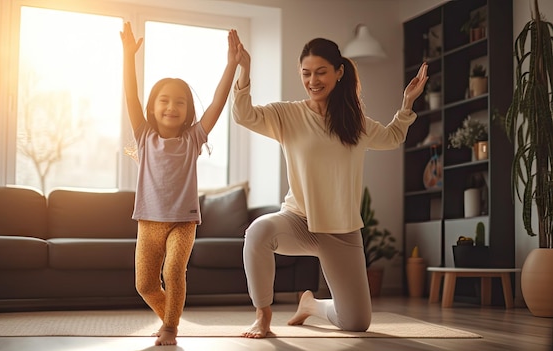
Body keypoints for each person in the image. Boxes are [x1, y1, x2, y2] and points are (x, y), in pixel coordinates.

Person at [231, 37, 428, 338]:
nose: (313, 80)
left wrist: (407, 103)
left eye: (321, 72)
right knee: (258, 231)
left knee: (356, 322)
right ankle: (263, 316)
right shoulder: (288, 115)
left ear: (339, 72)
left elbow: (391, 138)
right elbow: (244, 115)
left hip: (342, 231)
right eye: (306, 73)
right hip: (298, 221)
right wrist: (244, 69)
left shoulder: (355, 121)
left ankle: (312, 306)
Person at [120, 22, 242, 346]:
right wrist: (128, 56)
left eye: (179, 102)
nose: (171, 107)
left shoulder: (193, 138)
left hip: (184, 221)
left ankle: (170, 328)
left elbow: (217, 103)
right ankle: (171, 318)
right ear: (152, 107)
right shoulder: (144, 136)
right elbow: (130, 94)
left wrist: (232, 64)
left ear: (188, 111)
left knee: (174, 271)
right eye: (164, 100)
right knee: (145, 285)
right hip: (149, 222)